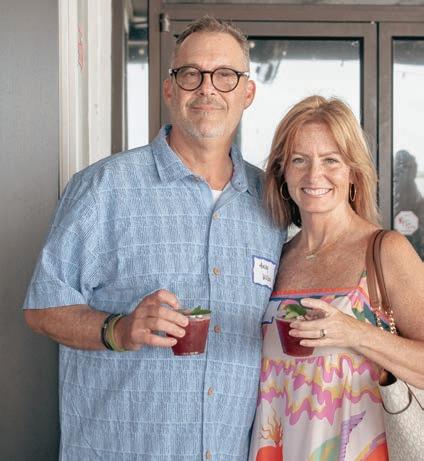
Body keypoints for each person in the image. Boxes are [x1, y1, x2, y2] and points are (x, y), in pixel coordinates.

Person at [23, 16, 285, 461]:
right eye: (191, 74)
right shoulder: (104, 188)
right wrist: (119, 329)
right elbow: (43, 309)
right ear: (169, 89)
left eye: (225, 75)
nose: (207, 88)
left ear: (247, 93)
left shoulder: (270, 203)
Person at [249, 95, 424, 460]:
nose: (314, 175)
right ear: (282, 171)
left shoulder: (385, 251)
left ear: (353, 172)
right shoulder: (276, 258)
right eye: (299, 160)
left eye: (331, 160)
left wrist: (355, 332)